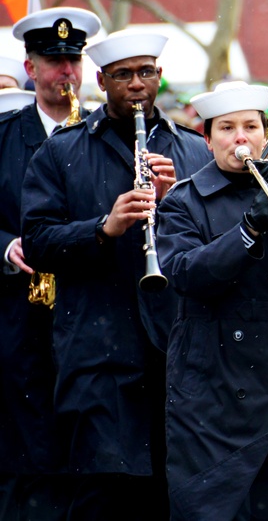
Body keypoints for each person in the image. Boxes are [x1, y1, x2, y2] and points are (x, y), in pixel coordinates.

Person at [20, 27, 211, 519]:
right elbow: (38, 241)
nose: (136, 85)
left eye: (145, 72)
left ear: (160, 77)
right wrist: (103, 229)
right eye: (122, 75)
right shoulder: (62, 151)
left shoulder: (193, 151)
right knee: (105, 494)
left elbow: (217, 244)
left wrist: (173, 209)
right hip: (98, 353)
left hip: (177, 352)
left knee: (177, 495)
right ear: (102, 82)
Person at [156, 81, 268, 520]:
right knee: (217, 505)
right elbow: (185, 273)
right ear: (207, 138)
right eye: (227, 128)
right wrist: (248, 229)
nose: (240, 138)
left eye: (250, 127)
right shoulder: (184, 200)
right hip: (213, 374)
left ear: (266, 134)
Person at [0, 8, 101, 520]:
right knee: (26, 449)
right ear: (30, 67)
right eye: (53, 61)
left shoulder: (107, 134)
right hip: (19, 315)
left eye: (73, 60)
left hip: (92, 310)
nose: (66, 72)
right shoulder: (3, 135)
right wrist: (5, 246)